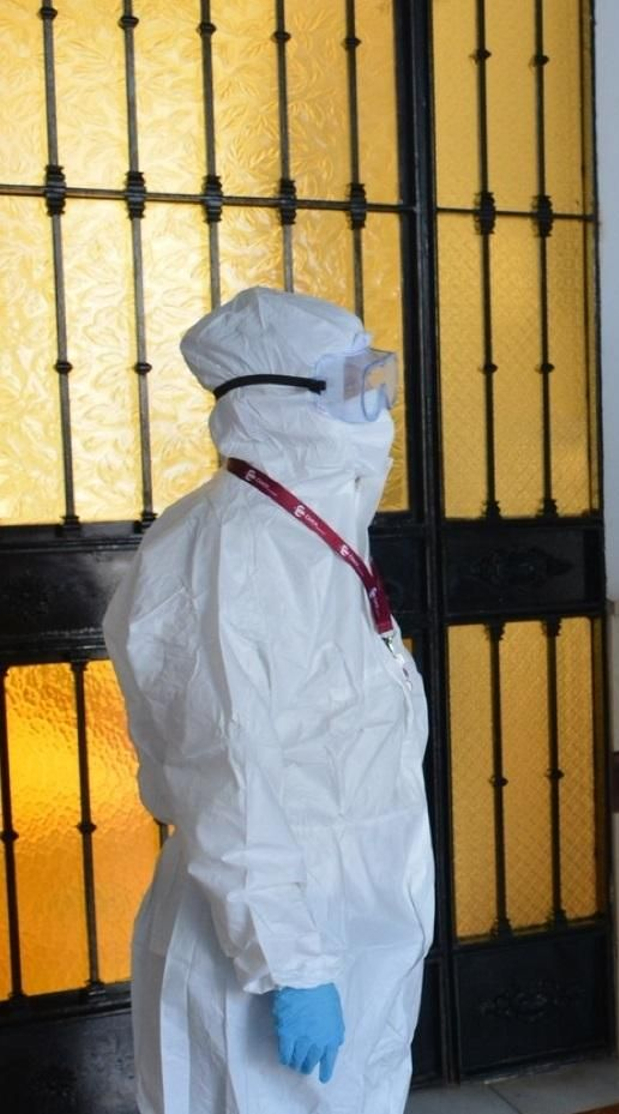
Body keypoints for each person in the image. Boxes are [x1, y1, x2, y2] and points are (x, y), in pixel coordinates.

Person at [103, 287, 434, 1114]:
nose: (375, 404)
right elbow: (228, 780)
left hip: (347, 918)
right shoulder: (229, 551)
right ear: (285, 400)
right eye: (355, 382)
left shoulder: (312, 537)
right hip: (262, 940)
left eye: (379, 378)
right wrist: (294, 966)